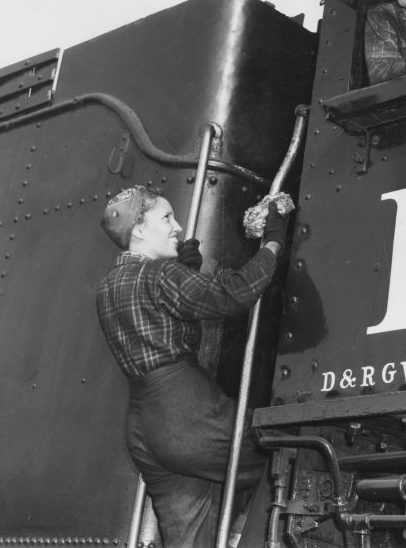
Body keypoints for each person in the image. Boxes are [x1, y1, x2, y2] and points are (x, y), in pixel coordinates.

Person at [96, 185, 289, 548]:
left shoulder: (108, 286)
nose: (179, 226)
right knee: (285, 457)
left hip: (145, 433)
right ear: (138, 230)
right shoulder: (158, 276)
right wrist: (273, 244)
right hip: (188, 417)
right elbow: (233, 295)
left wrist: (186, 272)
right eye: (166, 218)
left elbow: (157, 324)